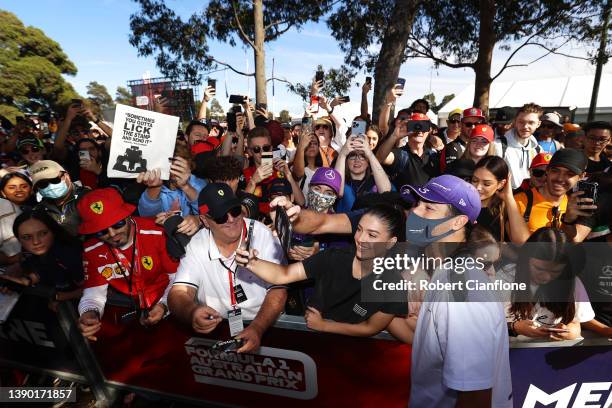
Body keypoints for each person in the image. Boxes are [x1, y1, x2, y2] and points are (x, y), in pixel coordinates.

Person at [400, 175, 512, 408]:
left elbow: (474, 397)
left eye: (429, 208)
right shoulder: (447, 274)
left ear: (457, 222)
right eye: (415, 204)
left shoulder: (459, 289)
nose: (415, 213)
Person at [235, 204, 407, 338]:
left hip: (352, 352)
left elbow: (370, 327)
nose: (361, 239)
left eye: (372, 235)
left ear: (391, 242)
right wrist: (251, 262)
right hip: (314, 341)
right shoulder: (334, 258)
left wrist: (325, 325)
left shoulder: (393, 283)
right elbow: (284, 275)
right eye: (359, 229)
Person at [167, 183, 287, 353]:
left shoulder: (262, 234)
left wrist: (257, 328)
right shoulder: (197, 244)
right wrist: (192, 311)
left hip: (265, 326)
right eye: (220, 216)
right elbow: (178, 293)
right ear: (205, 221)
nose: (231, 219)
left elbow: (278, 289)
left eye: (235, 210)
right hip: (218, 329)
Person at [76, 188, 178, 341]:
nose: (112, 234)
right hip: (133, 313)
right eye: (101, 231)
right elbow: (94, 294)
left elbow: (179, 279)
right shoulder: (91, 250)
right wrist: (89, 313)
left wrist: (164, 306)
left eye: (118, 224)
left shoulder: (158, 233)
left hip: (172, 305)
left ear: (128, 215)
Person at [504, 228, 594, 341]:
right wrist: (515, 327)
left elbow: (576, 324)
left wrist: (570, 332)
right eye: (539, 268)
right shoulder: (504, 278)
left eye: (555, 272)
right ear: (526, 259)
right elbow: (485, 327)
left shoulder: (572, 282)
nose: (546, 277)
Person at [5, 209, 84, 308]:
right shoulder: (28, 251)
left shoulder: (69, 255)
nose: (36, 242)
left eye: (43, 233)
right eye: (27, 237)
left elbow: (91, 289)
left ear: (53, 231)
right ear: (19, 240)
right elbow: (40, 269)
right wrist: (23, 280)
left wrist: (61, 297)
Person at [514, 149, 592, 236]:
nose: (560, 178)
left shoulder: (577, 206)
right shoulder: (519, 202)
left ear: (581, 176)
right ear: (547, 171)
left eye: (569, 174)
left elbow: (573, 242)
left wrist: (568, 221)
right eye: (555, 171)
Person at [138, 143, 207, 236]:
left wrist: (186, 187)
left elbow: (207, 211)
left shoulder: (198, 184)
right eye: (170, 165)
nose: (174, 171)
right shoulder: (158, 184)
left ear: (189, 166)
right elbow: (145, 215)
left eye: (179, 166)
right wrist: (155, 187)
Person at [471, 156, 530, 243]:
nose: (478, 187)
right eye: (474, 180)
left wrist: (509, 198)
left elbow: (522, 241)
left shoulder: (504, 210)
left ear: (501, 184)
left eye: (486, 184)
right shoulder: (461, 203)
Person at [376, 112, 440, 188]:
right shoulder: (401, 155)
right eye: (415, 126)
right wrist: (394, 136)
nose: (419, 131)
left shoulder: (433, 156)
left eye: (423, 126)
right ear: (408, 127)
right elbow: (379, 158)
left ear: (429, 130)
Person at [30, 160, 89, 236]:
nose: (50, 186)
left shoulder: (88, 197)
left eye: (54, 180)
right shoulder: (39, 212)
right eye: (42, 184)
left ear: (66, 176)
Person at [335, 135, 392, 213]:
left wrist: (369, 153)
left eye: (362, 156)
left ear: (368, 162)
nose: (357, 160)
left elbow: (385, 191)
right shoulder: (342, 180)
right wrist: (342, 154)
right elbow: (337, 192)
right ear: (346, 161)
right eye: (352, 156)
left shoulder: (375, 180)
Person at [494, 103, 543, 189]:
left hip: (530, 198)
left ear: (538, 124)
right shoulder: (498, 146)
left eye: (531, 122)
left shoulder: (538, 149)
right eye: (521, 122)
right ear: (515, 122)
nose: (525, 126)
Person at [292, 131, 323, 200]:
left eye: (315, 143)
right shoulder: (295, 167)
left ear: (318, 147)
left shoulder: (323, 170)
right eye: (308, 143)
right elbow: (298, 174)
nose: (312, 146)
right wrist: (301, 147)